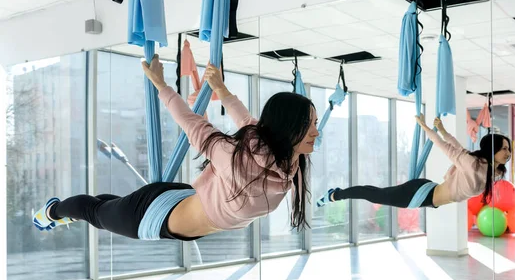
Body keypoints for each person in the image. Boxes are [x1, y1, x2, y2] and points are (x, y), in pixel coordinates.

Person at [32, 55, 319, 241]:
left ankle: (66, 213)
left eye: (315, 123)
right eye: (309, 125)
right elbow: (192, 123)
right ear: (287, 128)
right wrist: (161, 84)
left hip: (183, 202)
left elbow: (245, 119)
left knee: (108, 206)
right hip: (158, 215)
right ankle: (52, 212)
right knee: (94, 211)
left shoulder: (286, 162)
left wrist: (220, 89)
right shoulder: (236, 159)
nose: (316, 133)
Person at [317, 115, 512, 209]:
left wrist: (443, 130)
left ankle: (336, 194)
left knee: (376, 193)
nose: (508, 153)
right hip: (420, 195)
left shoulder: (493, 171)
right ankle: (335, 195)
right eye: (504, 148)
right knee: (374, 194)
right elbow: (445, 146)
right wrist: (425, 127)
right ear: (492, 150)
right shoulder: (473, 165)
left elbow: (458, 147)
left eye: (509, 148)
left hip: (429, 194)